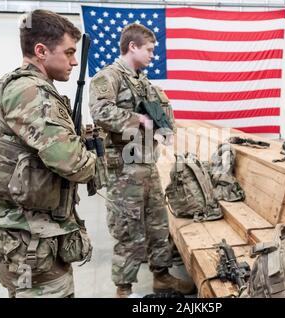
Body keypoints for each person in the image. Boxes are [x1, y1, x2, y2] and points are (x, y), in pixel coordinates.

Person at [0, 9, 96, 297]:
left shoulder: (22, 86)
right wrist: (94, 157)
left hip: (24, 239)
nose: (74, 61)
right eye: (68, 52)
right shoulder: (30, 92)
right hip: (31, 243)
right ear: (41, 51)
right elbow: (73, 163)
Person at [89, 23, 194, 298]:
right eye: (149, 49)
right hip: (123, 168)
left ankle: (161, 277)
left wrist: (162, 126)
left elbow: (157, 112)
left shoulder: (142, 81)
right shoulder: (108, 77)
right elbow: (100, 111)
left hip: (147, 164)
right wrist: (139, 120)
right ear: (132, 46)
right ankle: (123, 289)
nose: (152, 55)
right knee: (128, 230)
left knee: (158, 223)